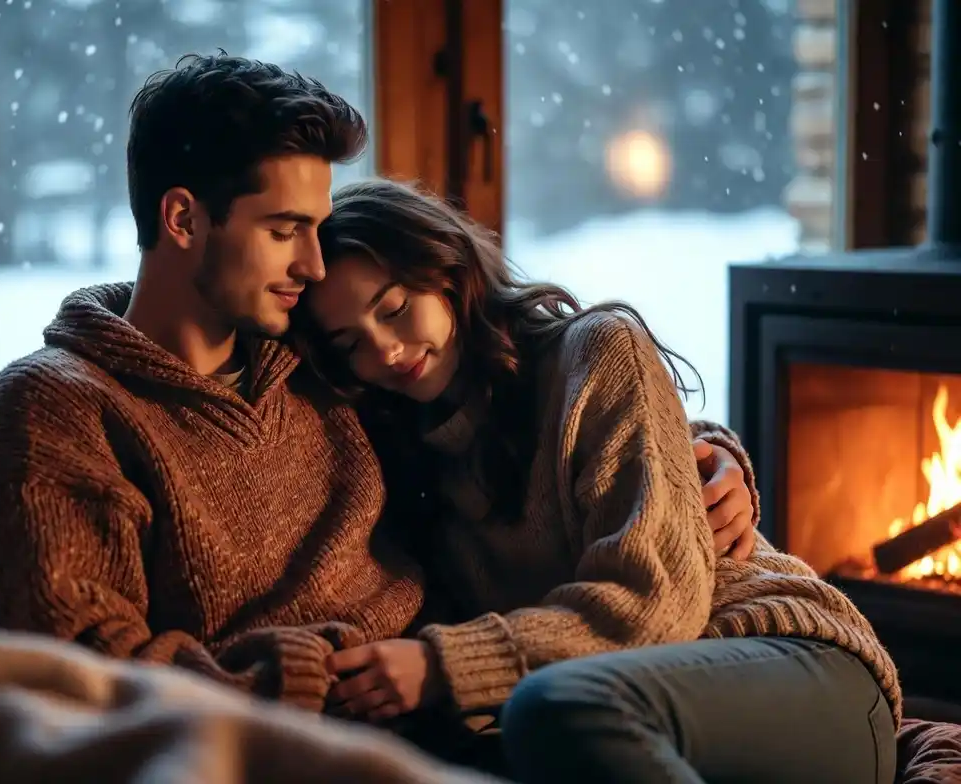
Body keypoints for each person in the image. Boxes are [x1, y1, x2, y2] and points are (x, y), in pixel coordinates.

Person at [0, 53, 755, 720]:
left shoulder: (318, 362)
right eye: (284, 231)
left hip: (484, 699)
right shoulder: (60, 407)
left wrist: (701, 458)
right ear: (182, 220)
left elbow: (498, 413)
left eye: (315, 226)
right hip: (349, 728)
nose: (312, 264)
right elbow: (86, 672)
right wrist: (311, 680)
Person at [290, 178, 900, 783]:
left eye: (394, 309)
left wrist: (441, 664)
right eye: (350, 345)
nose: (386, 351)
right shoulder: (404, 456)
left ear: (447, 270)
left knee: (557, 708)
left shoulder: (595, 352)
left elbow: (654, 603)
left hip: (796, 667)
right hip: (635, 708)